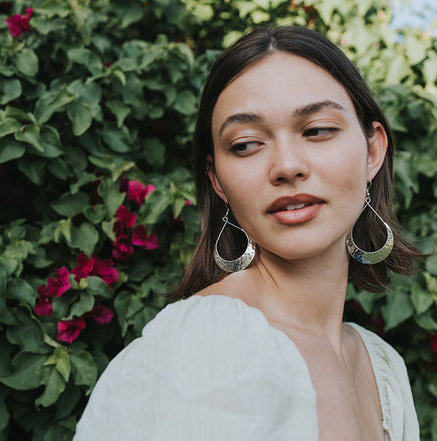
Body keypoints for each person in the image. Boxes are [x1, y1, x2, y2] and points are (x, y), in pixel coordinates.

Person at [73, 26, 421, 441]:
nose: (287, 165)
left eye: (318, 130)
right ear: (217, 179)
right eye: (246, 144)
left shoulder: (383, 368)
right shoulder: (209, 342)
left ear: (373, 151)